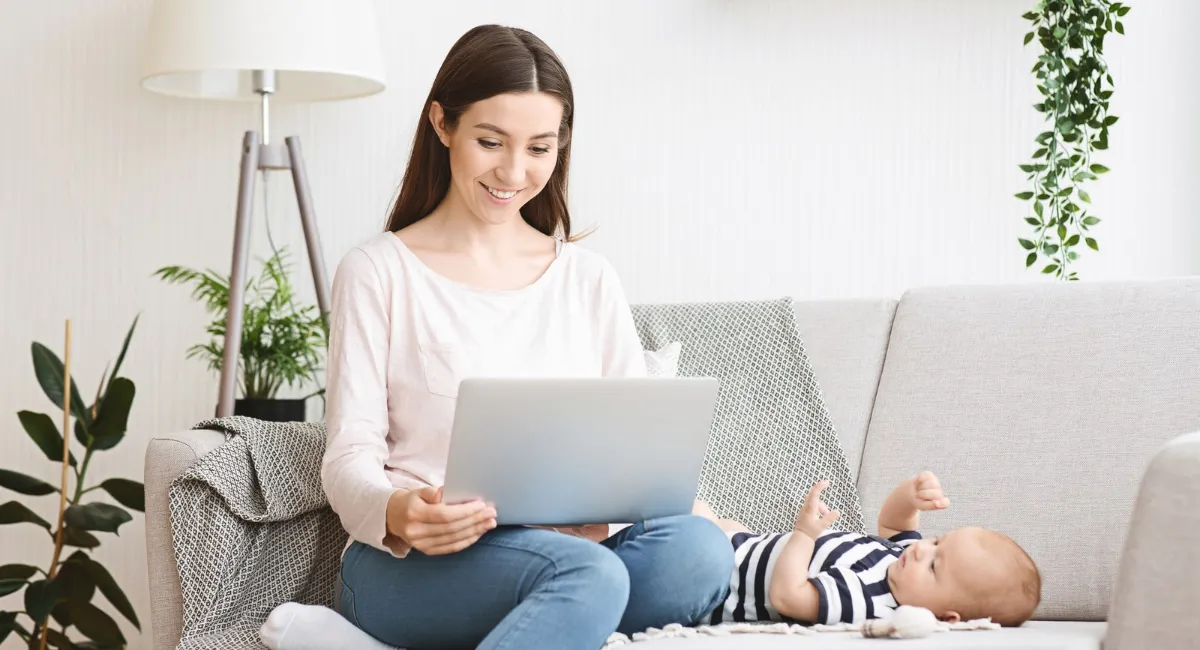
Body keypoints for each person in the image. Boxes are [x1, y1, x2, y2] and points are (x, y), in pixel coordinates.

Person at [310, 24, 733, 650]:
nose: (514, 171)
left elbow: (637, 456)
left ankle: (559, 619)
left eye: (540, 148)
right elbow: (348, 454)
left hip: (565, 553)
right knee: (587, 576)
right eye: (490, 141)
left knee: (699, 549)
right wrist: (399, 513)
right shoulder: (378, 271)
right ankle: (571, 610)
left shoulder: (587, 279)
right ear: (441, 124)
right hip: (413, 566)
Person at [694, 471, 1042, 627]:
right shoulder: (902, 561)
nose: (923, 550)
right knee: (716, 518)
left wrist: (804, 534)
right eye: (938, 542)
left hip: (718, 581)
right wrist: (910, 496)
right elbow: (894, 525)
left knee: (692, 513)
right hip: (745, 544)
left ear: (945, 616)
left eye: (935, 567)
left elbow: (787, 595)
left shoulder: (870, 601)